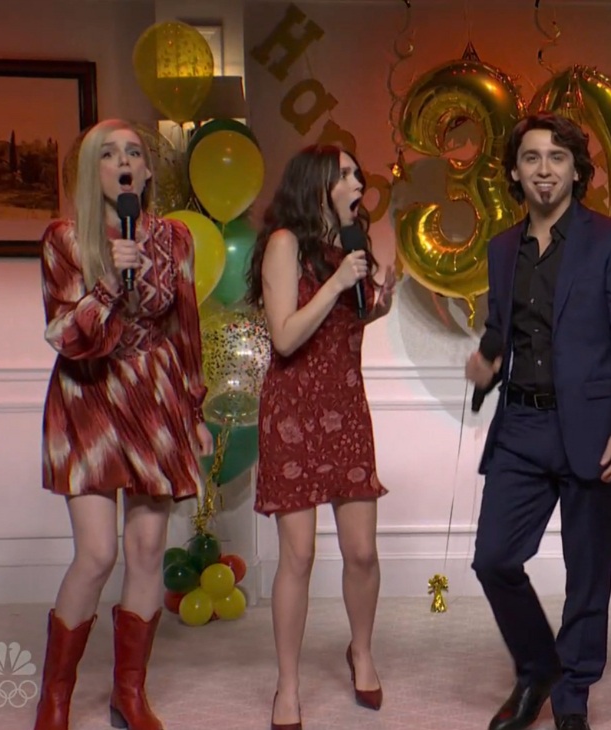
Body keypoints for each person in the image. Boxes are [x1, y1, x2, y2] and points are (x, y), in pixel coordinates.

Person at [464, 112, 611, 730]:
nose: (543, 170)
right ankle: (538, 668)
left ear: (577, 170)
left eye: (556, 157)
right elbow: (502, 329)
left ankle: (573, 697)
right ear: (514, 173)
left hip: (596, 428)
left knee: (588, 574)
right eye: (531, 158)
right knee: (493, 558)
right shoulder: (502, 249)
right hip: (521, 425)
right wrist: (486, 361)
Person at [33, 118, 214, 730]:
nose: (124, 161)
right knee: (97, 553)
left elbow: (184, 327)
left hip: (153, 396)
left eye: (134, 152)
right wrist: (110, 282)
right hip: (86, 395)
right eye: (108, 154)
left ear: (148, 170)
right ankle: (55, 697)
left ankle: (128, 694)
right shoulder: (63, 239)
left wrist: (194, 408)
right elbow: (65, 336)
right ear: (92, 172)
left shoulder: (175, 238)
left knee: (146, 549)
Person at [246, 144, 397, 730]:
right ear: (318, 184)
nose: (359, 181)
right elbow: (285, 337)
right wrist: (336, 283)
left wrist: (379, 302)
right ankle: (287, 685)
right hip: (292, 411)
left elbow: (344, 323)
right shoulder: (285, 243)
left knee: (362, 552)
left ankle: (362, 651)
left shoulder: (351, 245)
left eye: (358, 172)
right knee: (300, 555)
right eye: (347, 174)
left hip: (346, 408)